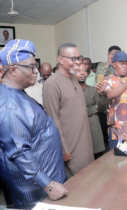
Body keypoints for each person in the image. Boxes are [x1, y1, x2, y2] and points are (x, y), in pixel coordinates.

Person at [0, 39, 67, 209]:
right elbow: (19, 152)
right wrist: (49, 185)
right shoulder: (9, 106)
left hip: (45, 188)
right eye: (31, 67)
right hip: (37, 194)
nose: (36, 71)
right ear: (13, 70)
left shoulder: (18, 93)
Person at [43, 43, 94, 178]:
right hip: (70, 147)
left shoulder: (74, 79)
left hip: (85, 142)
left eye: (79, 58)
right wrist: (64, 149)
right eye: (73, 59)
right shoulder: (52, 84)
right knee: (77, 184)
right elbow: (52, 120)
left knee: (90, 178)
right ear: (60, 59)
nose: (77, 62)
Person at [75, 63, 106, 159]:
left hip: (94, 129)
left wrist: (101, 95)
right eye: (78, 71)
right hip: (78, 130)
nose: (82, 73)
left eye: (84, 70)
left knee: (98, 161)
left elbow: (101, 108)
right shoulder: (71, 91)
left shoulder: (93, 90)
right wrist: (93, 108)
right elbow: (77, 111)